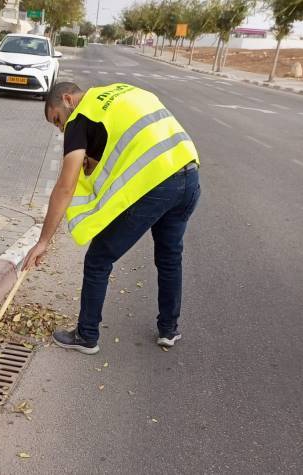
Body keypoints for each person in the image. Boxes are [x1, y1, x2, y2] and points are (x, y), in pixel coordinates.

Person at [23, 82, 200, 354]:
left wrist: (43, 241)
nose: (60, 129)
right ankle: (168, 330)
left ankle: (87, 336)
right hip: (188, 175)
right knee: (169, 256)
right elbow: (125, 141)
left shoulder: (79, 119)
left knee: (98, 260)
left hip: (157, 185)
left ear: (68, 99)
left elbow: (65, 186)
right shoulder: (121, 91)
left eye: (57, 120)